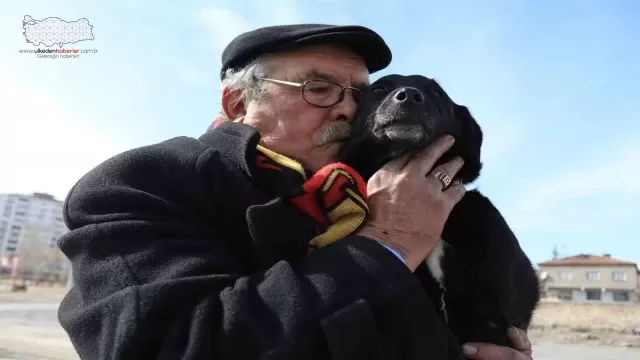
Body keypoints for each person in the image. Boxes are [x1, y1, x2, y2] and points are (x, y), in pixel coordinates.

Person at [57, 24, 533, 360]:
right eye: (319, 88)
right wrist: (390, 240)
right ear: (239, 101)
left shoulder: (361, 197)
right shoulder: (143, 182)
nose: (349, 109)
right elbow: (176, 347)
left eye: (359, 94)